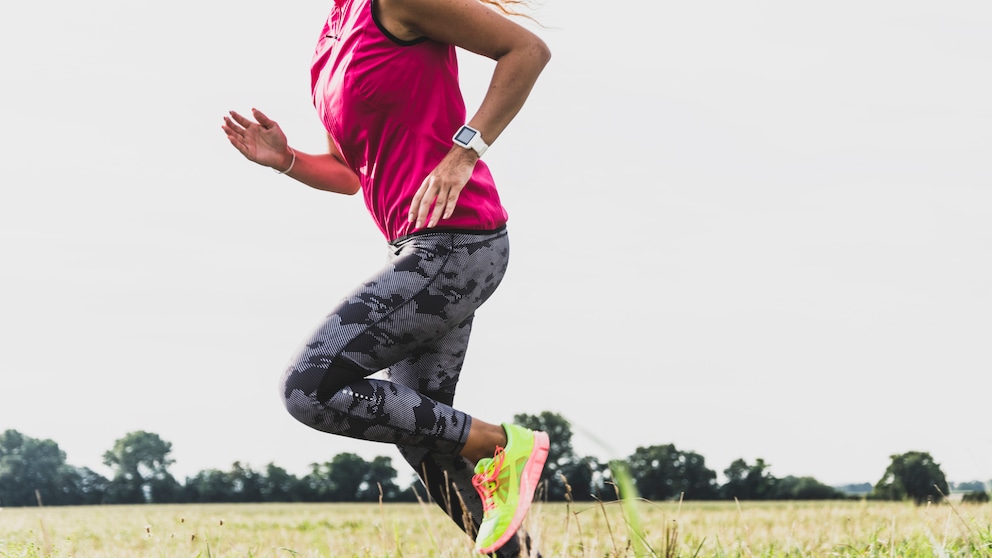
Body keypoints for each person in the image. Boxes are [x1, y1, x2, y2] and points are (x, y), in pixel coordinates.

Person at [221, 0, 552, 554]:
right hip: (425, 248)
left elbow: (526, 51)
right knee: (422, 437)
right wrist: (286, 160)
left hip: (456, 241)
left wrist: (463, 152)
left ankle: (502, 445)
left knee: (307, 387)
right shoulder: (330, 40)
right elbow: (351, 175)